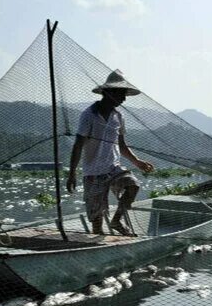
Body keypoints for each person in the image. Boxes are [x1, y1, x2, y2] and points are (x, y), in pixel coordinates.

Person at [66, 70, 155, 236]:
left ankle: (116, 220)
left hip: (113, 168)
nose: (124, 98)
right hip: (93, 172)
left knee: (132, 185)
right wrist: (72, 174)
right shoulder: (88, 115)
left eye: (124, 94)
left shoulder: (118, 116)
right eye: (121, 94)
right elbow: (78, 145)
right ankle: (95, 245)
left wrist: (137, 162)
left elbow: (121, 145)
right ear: (108, 93)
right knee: (97, 220)